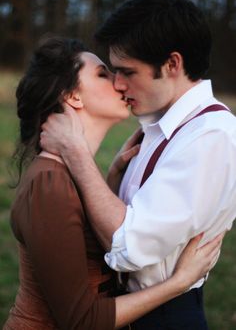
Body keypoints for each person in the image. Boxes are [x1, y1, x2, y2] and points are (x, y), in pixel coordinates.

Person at [40, 0, 236, 330]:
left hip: (165, 318)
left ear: (172, 64)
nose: (118, 84)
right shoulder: (164, 126)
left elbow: (128, 246)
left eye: (127, 71)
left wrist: (75, 152)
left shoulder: (210, 136)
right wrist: (115, 170)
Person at [3, 36, 223, 330]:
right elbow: (82, 320)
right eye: (103, 74)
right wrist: (178, 283)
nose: (120, 83)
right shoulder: (48, 183)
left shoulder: (65, 174)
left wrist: (113, 176)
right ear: (72, 96)